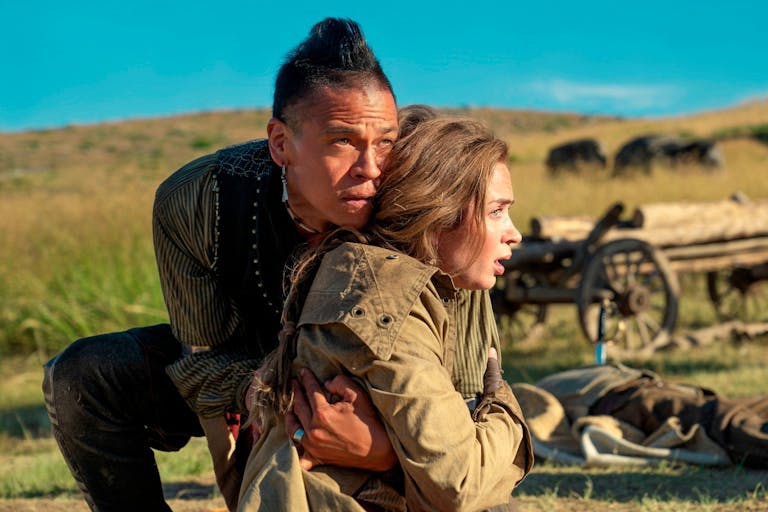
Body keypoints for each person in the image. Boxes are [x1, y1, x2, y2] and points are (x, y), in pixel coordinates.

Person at [41, 18, 503, 511]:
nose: (370, 167)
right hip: (251, 373)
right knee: (82, 375)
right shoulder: (199, 200)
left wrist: (385, 451)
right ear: (281, 143)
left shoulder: (424, 199)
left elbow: (467, 383)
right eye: (342, 141)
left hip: (392, 400)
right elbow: (201, 360)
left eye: (385, 141)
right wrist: (279, 400)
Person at [238, 118, 534, 511]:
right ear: (439, 212)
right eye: (497, 211)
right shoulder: (390, 296)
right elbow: (459, 484)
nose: (514, 233)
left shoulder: (422, 281)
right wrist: (503, 408)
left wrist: (387, 455)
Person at [512, 363, 768, 468]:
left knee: (721, 413)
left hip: (644, 392)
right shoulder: (530, 397)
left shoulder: (524, 395)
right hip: (635, 398)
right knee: (720, 419)